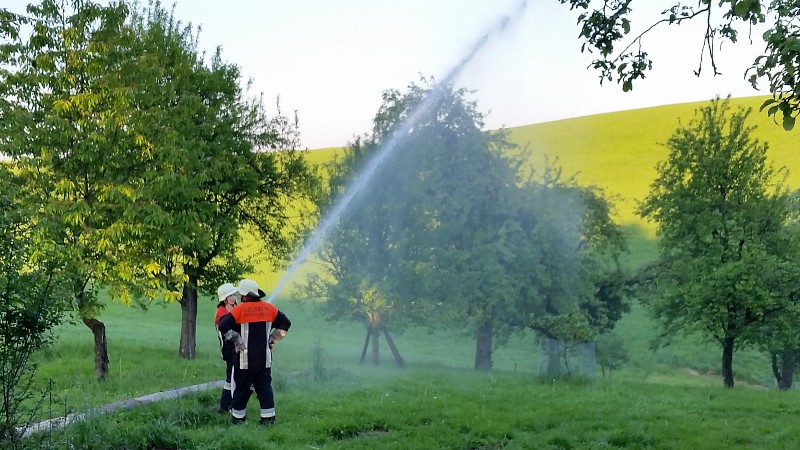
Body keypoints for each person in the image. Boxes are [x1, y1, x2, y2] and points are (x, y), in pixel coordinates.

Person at [218, 278, 291, 425]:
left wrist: (236, 338)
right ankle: (268, 419)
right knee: (264, 389)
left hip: (244, 360)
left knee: (241, 390)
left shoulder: (239, 310)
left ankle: (238, 420)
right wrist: (273, 338)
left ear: (244, 295)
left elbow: (223, 326)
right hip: (264, 360)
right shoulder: (270, 308)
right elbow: (286, 323)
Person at [215, 282, 239, 413]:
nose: (234, 298)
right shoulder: (222, 312)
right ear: (225, 298)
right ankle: (227, 407)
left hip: (235, 348)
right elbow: (227, 330)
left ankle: (227, 406)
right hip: (229, 349)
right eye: (231, 295)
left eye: (234, 295)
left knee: (233, 378)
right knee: (232, 378)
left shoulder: (233, 308)